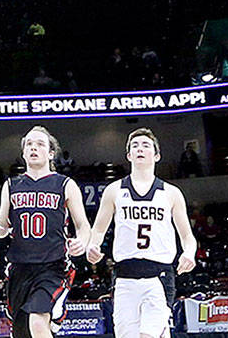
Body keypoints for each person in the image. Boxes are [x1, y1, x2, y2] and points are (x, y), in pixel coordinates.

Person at [86, 128, 197, 338]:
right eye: (135, 146)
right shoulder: (114, 190)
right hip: (124, 277)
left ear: (156, 155)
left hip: (159, 275)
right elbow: (98, 229)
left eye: (146, 145)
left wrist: (189, 253)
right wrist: (93, 245)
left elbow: (187, 237)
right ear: (128, 156)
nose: (140, 149)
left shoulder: (171, 193)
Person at [0, 126, 91, 338]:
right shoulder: (11, 185)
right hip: (20, 268)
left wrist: (82, 241)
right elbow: (3, 225)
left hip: (53, 265)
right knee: (22, 332)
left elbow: (83, 226)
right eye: (29, 144)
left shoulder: (65, 184)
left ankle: (53, 314)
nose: (33, 148)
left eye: (40, 144)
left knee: (38, 320)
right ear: (23, 153)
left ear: (51, 153)